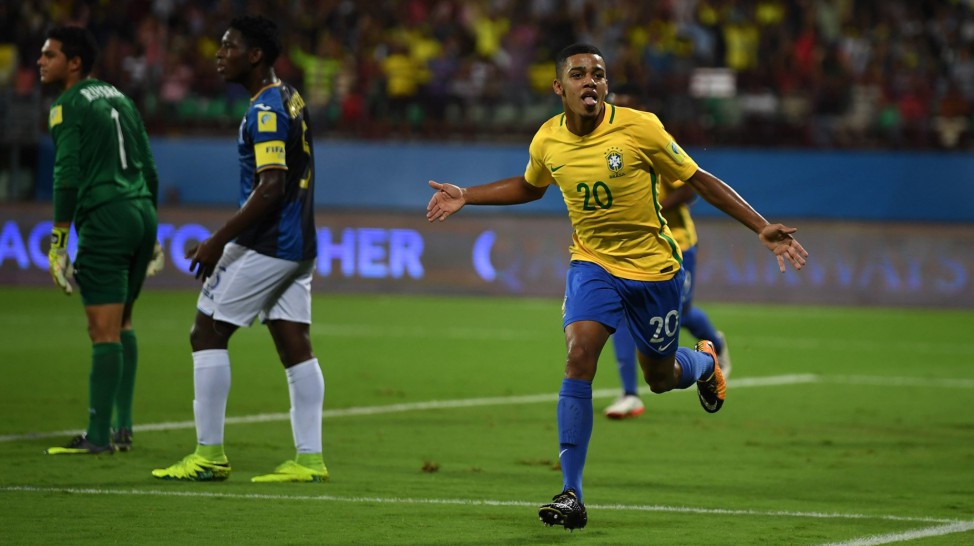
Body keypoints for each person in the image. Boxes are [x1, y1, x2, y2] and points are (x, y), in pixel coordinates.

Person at [426, 43, 807, 530]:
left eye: (599, 74)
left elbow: (699, 179)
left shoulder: (639, 126)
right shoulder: (547, 140)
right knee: (579, 354)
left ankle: (706, 361)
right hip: (592, 264)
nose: (591, 81)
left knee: (661, 378)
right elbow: (531, 185)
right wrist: (467, 195)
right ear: (557, 86)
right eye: (579, 74)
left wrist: (760, 226)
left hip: (653, 270)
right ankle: (571, 493)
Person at [151, 15, 327, 483]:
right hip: (299, 243)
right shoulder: (288, 95)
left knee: (206, 332)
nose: (219, 53)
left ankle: (208, 455)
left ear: (255, 55)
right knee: (294, 342)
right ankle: (310, 459)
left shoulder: (266, 109)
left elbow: (270, 187)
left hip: (269, 243)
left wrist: (216, 239)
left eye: (228, 46)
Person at [39, 25, 162, 455]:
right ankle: (122, 427)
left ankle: (96, 437)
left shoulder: (65, 105)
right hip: (141, 211)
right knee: (124, 320)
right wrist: (154, 229)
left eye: (49, 55)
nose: (40, 61)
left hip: (106, 216)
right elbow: (148, 165)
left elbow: (66, 175)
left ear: (74, 63)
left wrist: (58, 242)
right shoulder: (119, 97)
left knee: (101, 330)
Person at [602, 84, 731, 420]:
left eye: (626, 104)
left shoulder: (653, 137)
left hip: (675, 246)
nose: (619, 110)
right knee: (621, 317)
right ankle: (629, 394)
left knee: (682, 313)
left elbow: (690, 186)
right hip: (631, 251)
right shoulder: (604, 145)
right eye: (616, 104)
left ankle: (713, 343)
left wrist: (653, 207)